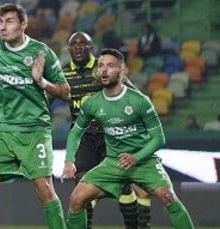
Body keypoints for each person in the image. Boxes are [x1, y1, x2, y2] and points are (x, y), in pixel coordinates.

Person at [0, 3, 71, 229]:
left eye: (9, 22)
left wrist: (41, 81)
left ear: (24, 24)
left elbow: (65, 93)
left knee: (45, 190)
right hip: (2, 131)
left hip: (34, 131)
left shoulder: (41, 52)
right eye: (0, 22)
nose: (3, 27)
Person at [63, 49, 195, 229]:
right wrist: (69, 160)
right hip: (113, 163)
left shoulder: (139, 101)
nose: (103, 70)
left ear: (122, 71)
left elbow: (159, 138)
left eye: (110, 66)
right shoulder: (93, 104)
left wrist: (136, 157)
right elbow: (75, 132)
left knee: (168, 197)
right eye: (101, 65)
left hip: (144, 162)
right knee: (77, 198)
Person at [62, 33, 151, 229]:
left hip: (111, 134)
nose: (78, 47)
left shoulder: (104, 67)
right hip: (84, 136)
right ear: (69, 49)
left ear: (91, 47)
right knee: (81, 186)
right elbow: (46, 99)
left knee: (124, 186)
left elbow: (135, 95)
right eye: (73, 44)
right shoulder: (63, 73)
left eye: (82, 44)